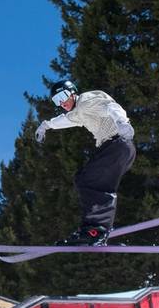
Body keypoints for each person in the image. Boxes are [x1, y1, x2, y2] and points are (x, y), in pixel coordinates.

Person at [35, 80, 136, 246]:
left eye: (62, 96)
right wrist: (46, 125)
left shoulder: (85, 101)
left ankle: (96, 228)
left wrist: (122, 123)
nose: (61, 103)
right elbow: (65, 120)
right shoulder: (78, 112)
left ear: (72, 92)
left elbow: (111, 107)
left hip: (118, 143)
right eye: (56, 101)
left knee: (88, 180)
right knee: (93, 183)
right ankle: (97, 229)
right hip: (119, 149)